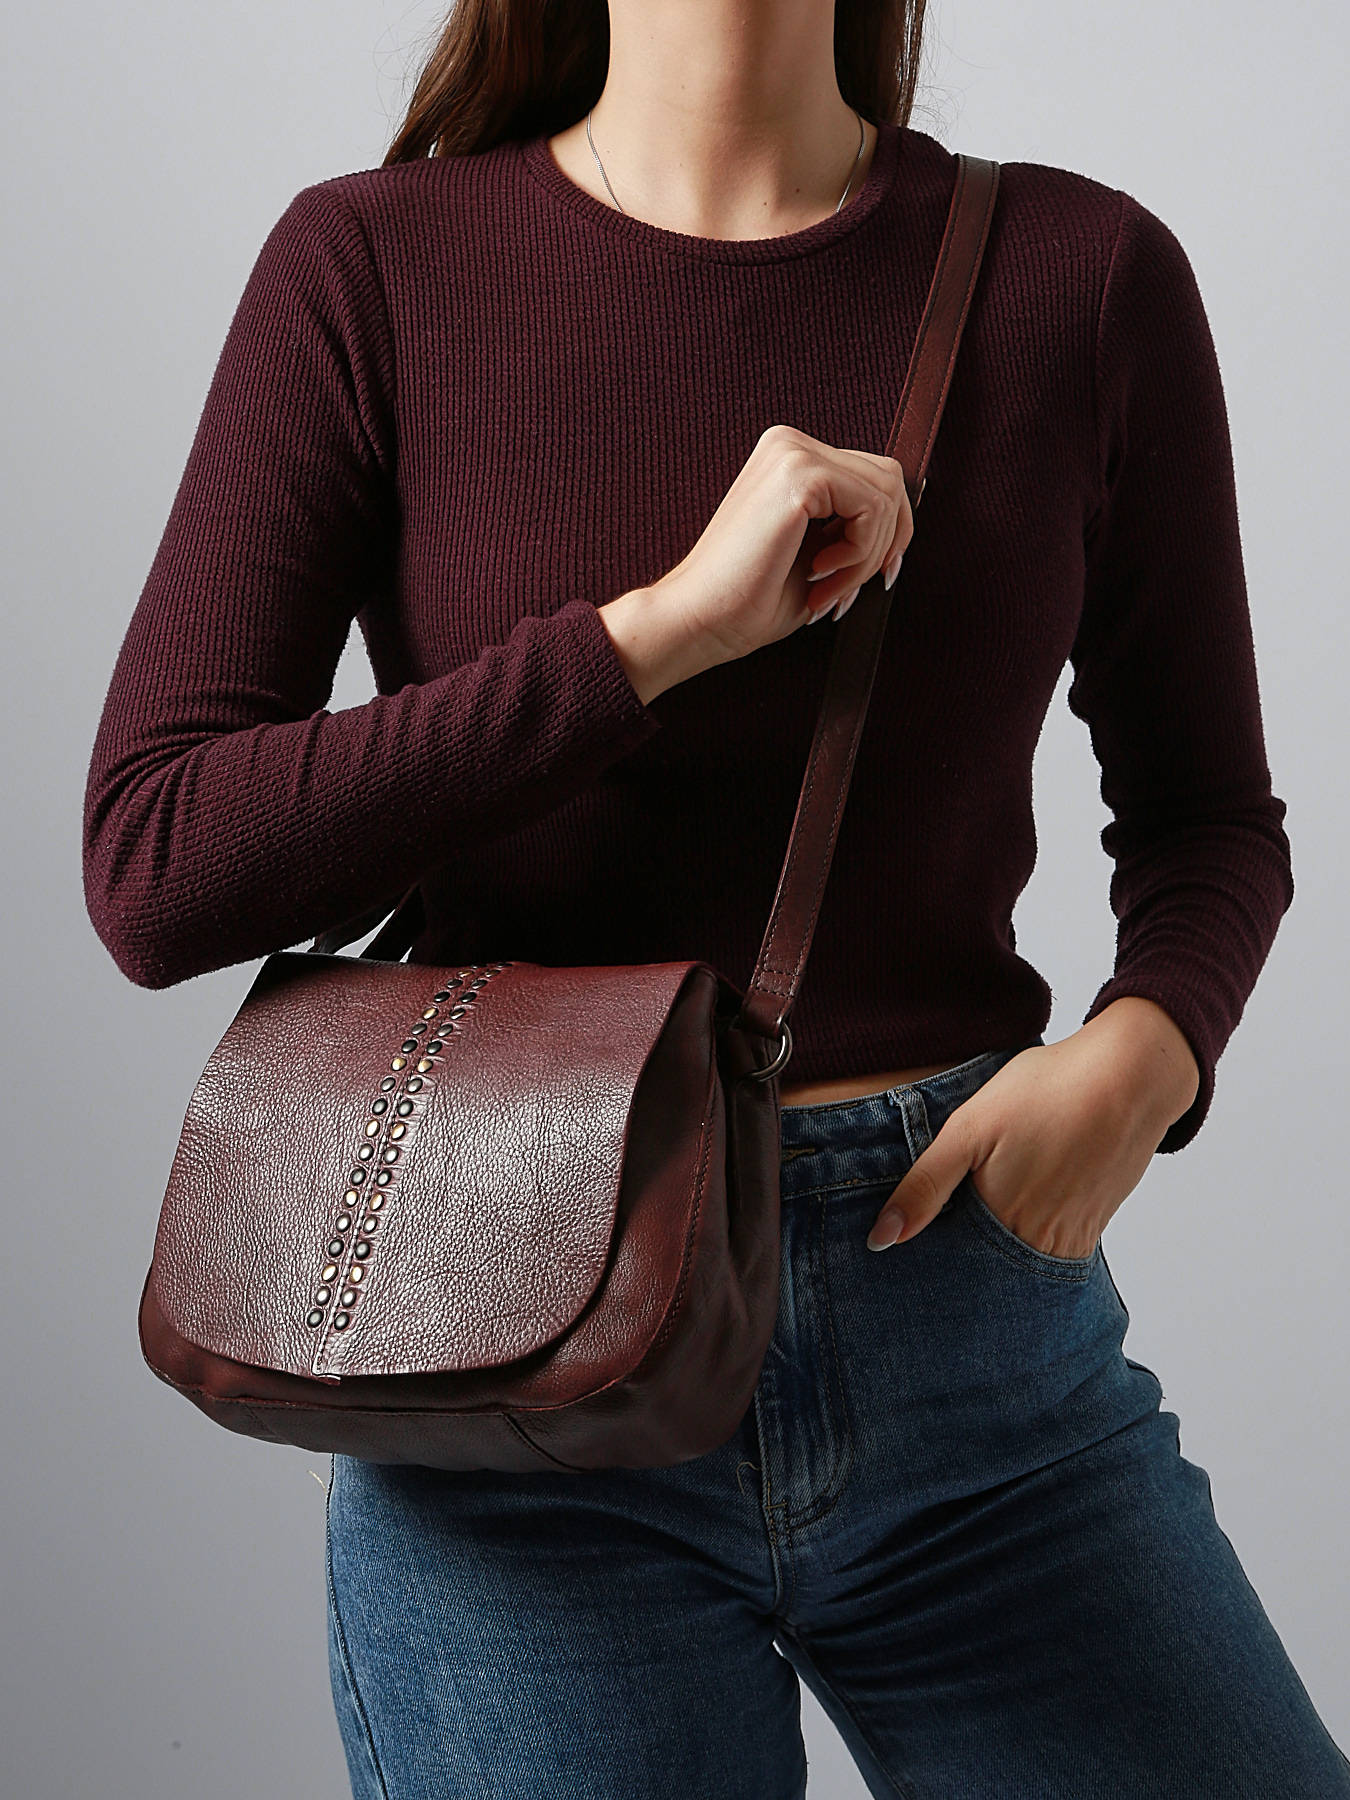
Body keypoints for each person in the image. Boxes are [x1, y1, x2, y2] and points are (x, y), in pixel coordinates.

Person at [82, 1, 1350, 1795]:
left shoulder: (1080, 275)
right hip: (516, 1370)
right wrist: (655, 637)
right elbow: (156, 861)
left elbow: (1210, 817)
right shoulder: (371, 268)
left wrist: (1143, 1060)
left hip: (969, 1318)